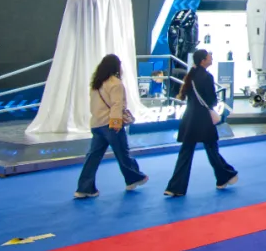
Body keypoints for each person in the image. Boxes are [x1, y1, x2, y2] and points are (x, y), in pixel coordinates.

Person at [165, 49, 238, 197]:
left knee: (185, 154)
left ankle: (175, 187)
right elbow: (212, 100)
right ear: (203, 60)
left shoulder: (191, 75)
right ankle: (225, 175)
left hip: (190, 119)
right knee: (212, 150)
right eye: (209, 57)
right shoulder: (207, 77)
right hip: (204, 119)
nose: (211, 58)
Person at [75, 54, 148, 199]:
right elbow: (116, 105)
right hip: (110, 124)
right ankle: (134, 178)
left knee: (93, 157)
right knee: (123, 153)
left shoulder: (96, 84)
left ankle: (84, 188)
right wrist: (116, 124)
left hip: (97, 124)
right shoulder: (116, 84)